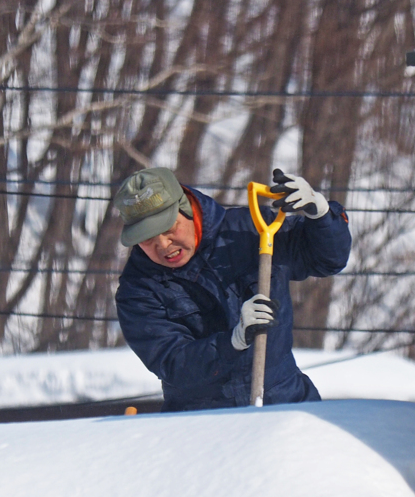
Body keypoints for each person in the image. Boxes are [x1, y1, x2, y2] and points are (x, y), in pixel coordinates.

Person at [113, 167, 351, 411]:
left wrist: (321, 214)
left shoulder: (249, 231)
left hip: (285, 403)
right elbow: (173, 363)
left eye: (168, 229)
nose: (162, 245)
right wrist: (232, 342)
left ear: (187, 209)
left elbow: (328, 260)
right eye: (147, 238)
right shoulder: (138, 290)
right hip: (200, 420)